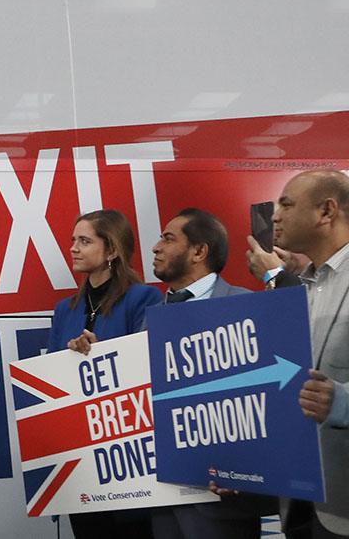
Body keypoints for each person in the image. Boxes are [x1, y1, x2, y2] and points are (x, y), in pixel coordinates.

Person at [148, 208, 276, 538]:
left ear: (199, 251)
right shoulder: (149, 319)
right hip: (163, 498)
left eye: (168, 238)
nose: (156, 247)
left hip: (225, 500)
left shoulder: (247, 307)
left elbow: (267, 401)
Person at [246, 169, 349, 538]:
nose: (274, 216)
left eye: (286, 204)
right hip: (300, 498)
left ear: (326, 211)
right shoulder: (303, 282)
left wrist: (341, 402)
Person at [47, 209, 162, 539]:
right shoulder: (64, 309)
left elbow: (147, 364)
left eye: (85, 241)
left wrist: (103, 350)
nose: (73, 248)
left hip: (126, 455)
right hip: (81, 456)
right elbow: (53, 376)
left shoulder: (144, 297)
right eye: (73, 240)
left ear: (112, 250)